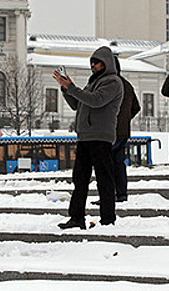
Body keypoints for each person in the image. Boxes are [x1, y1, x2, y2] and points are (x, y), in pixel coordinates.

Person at [53, 46, 123, 229]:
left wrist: (72, 87)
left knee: (104, 179)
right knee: (80, 179)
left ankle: (108, 219)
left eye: (96, 62)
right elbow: (78, 104)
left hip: (100, 137)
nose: (93, 65)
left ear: (106, 63)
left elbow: (96, 100)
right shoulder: (92, 83)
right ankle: (76, 217)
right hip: (85, 136)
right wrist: (66, 89)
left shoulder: (113, 82)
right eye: (91, 61)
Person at [109, 56, 140, 202]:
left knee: (106, 165)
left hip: (108, 131)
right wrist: (126, 119)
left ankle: (108, 195)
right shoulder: (127, 85)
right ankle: (121, 193)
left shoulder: (108, 83)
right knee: (119, 164)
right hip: (123, 132)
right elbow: (136, 107)